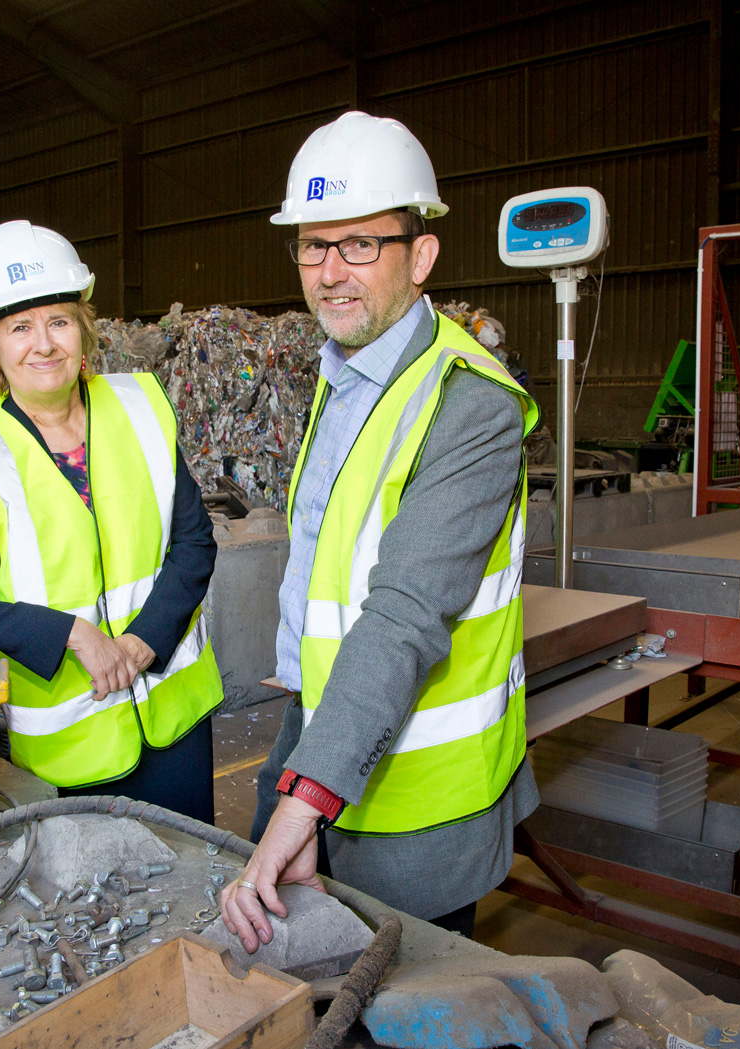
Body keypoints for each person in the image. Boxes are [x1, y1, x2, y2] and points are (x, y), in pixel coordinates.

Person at [219, 112, 540, 949]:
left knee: (407, 1003)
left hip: (421, 795)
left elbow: (403, 611)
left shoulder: (472, 403)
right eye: (312, 245)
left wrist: (307, 797)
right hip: (326, 727)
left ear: (420, 254)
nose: (330, 273)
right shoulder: (346, 371)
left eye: (359, 244)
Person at [0, 220, 223, 822]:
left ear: (84, 330)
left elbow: (193, 541)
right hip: (72, 757)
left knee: (194, 890)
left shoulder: (142, 408)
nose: (43, 344)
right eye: (19, 328)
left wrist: (141, 643)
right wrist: (70, 635)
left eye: (58, 321)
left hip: (176, 725)